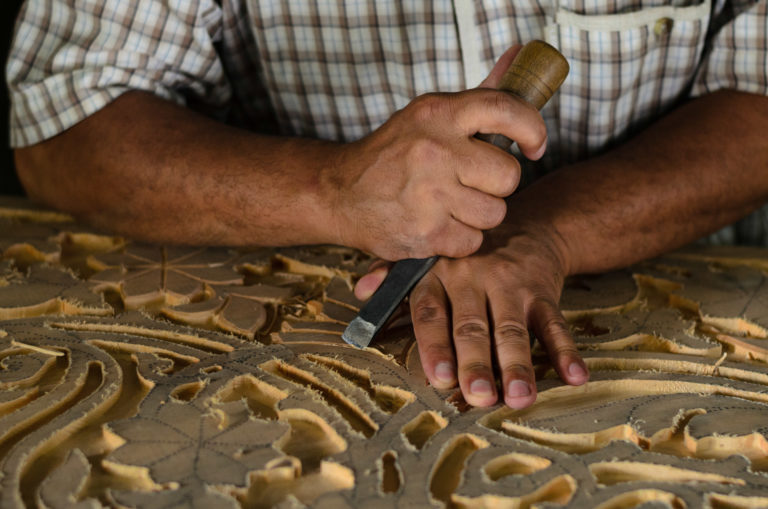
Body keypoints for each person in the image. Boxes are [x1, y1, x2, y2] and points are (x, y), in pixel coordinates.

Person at [7, 0, 768, 409]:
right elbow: (58, 121)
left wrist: (547, 228)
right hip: (299, 288)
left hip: (689, 293)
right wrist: (333, 189)